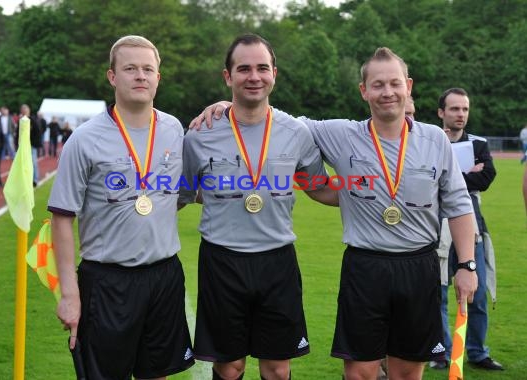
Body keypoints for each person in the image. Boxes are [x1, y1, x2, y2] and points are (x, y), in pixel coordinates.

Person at [192, 47, 478, 380]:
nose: (387, 93)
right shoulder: (341, 133)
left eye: (395, 84)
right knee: (359, 373)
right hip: (364, 267)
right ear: (364, 91)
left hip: (420, 266)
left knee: (406, 373)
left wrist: (467, 265)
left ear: (408, 86)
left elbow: (459, 204)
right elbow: (269, 117)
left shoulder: (435, 139)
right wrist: (229, 106)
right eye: (378, 85)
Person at [179, 34, 337, 380]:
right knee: (230, 366)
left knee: (278, 369)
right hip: (222, 261)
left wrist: (377, 193)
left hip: (277, 261)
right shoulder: (199, 135)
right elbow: (181, 194)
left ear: (274, 74)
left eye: (262, 68)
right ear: (228, 76)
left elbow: (319, 187)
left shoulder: (297, 132)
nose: (254, 76)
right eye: (244, 68)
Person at [48, 35, 195, 380]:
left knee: (156, 374)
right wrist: (70, 295)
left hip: (164, 275)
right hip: (106, 281)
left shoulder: (174, 129)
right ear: (112, 76)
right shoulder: (84, 139)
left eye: (148, 69)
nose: (140, 76)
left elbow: (182, 193)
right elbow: (62, 218)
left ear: (159, 77)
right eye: (130, 68)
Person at [430, 87, 502, 371]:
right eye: (454, 109)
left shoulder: (478, 144)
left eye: (464, 109)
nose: (460, 114)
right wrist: (464, 176)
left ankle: (477, 352)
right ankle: (442, 352)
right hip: (436, 227)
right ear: (441, 113)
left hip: (471, 226)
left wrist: (452, 178)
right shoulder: (430, 141)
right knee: (439, 293)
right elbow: (429, 179)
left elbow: (486, 178)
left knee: (478, 291)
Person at [18, 104, 41, 186]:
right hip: (23, 145)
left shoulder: (33, 120)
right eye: (23, 110)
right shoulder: (21, 121)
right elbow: (18, 133)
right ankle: (26, 179)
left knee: (33, 162)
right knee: (23, 163)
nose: (24, 112)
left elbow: (38, 131)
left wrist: (34, 143)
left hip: (31, 145)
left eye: (25, 110)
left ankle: (35, 179)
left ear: (28, 111)